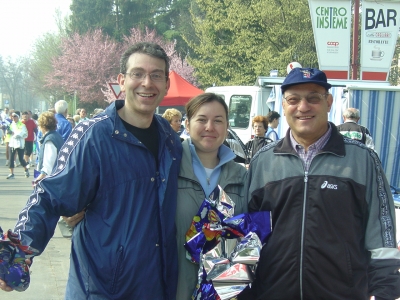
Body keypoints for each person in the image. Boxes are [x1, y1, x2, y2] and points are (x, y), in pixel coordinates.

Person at [0, 42, 182, 299]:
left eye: (156, 75)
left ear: (166, 84)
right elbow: (50, 196)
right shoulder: (94, 135)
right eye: (137, 73)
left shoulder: (170, 140)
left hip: (156, 287)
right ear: (122, 80)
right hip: (102, 288)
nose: (147, 83)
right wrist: (19, 252)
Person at [244, 68, 400, 299]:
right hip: (273, 293)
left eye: (313, 98)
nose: (303, 107)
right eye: (293, 100)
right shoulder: (263, 163)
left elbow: (382, 237)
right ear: (284, 107)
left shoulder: (363, 160)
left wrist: (384, 292)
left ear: (329, 102)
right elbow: (245, 237)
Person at [175, 93, 247, 300]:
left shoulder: (241, 176)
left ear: (226, 126)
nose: (210, 127)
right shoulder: (168, 169)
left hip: (223, 290)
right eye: (202, 120)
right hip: (174, 286)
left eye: (218, 121)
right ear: (187, 125)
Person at [6, 112, 30, 179]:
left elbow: (25, 134)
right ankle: (11, 173)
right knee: (11, 159)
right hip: (12, 143)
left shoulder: (22, 125)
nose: (13, 118)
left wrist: (15, 134)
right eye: (12, 116)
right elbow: (9, 133)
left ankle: (26, 170)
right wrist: (7, 132)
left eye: (15, 116)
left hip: (20, 144)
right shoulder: (11, 125)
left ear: (18, 117)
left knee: (21, 159)